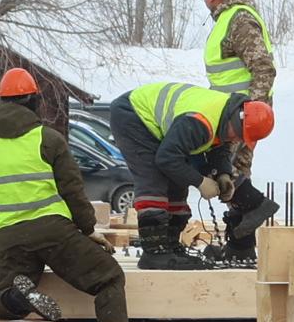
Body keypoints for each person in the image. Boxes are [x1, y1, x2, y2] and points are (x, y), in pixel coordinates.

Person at [0, 67, 127, 322]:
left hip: (9, 237)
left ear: (1, 101)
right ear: (33, 100)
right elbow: (72, 189)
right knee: (109, 278)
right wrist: (87, 229)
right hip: (53, 232)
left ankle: (18, 298)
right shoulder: (48, 138)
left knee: (0, 298)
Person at [99, 79, 276, 268]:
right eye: (238, 134)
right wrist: (200, 181)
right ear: (237, 120)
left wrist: (223, 173)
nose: (236, 139)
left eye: (241, 138)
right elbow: (166, 159)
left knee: (177, 179)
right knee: (153, 178)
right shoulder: (200, 121)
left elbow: (219, 147)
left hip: (162, 123)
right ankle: (155, 252)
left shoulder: (226, 116)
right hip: (132, 114)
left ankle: (170, 246)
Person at [192, 0, 281, 254]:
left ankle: (254, 216)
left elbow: (263, 68)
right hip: (232, 113)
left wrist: (251, 113)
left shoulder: (238, 20)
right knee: (233, 172)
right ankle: (241, 247)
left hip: (243, 115)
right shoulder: (229, 19)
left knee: (225, 170)